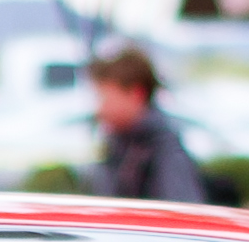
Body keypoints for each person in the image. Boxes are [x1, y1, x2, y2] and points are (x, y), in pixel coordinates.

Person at [87, 46, 208, 204]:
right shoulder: (121, 144)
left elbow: (180, 210)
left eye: (104, 98)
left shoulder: (164, 150)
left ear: (136, 94)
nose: (100, 109)